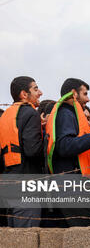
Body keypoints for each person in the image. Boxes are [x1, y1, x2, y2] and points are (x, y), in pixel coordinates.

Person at [45, 78, 90, 226]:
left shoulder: (70, 114)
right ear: (74, 94)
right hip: (70, 186)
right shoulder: (66, 114)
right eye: (85, 94)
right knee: (89, 229)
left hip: (73, 184)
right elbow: (64, 146)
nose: (88, 99)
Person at [0, 76, 43, 227]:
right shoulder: (31, 114)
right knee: (26, 236)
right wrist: (48, 138)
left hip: (8, 181)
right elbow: (32, 150)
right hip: (27, 184)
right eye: (36, 89)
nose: (40, 93)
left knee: (13, 237)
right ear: (24, 94)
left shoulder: (6, 115)